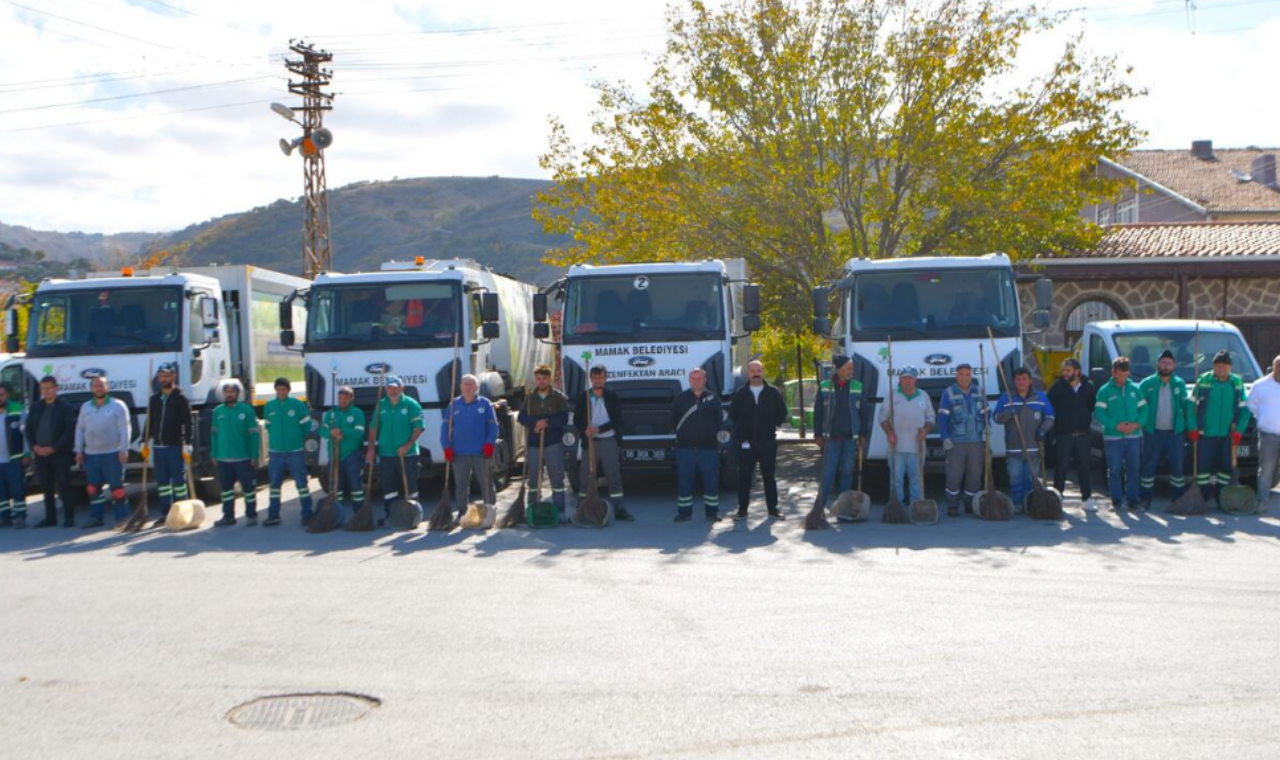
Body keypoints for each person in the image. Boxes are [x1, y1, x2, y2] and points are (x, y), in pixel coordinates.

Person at [728, 360, 788, 519]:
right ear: (748, 373)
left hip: (767, 442)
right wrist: (744, 430)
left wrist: (771, 426)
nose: (756, 373)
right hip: (746, 442)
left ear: (763, 372)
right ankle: (742, 510)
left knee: (769, 476)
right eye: (753, 370)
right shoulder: (740, 394)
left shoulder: (773, 393)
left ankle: (773, 509)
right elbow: (733, 415)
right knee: (744, 477)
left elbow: (782, 413)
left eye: (759, 370)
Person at [573, 365, 634, 521]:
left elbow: (617, 420)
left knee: (613, 475)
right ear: (591, 379)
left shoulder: (612, 397)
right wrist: (584, 430)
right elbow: (577, 420)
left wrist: (599, 429)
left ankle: (619, 509)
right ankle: (581, 508)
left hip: (609, 441)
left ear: (605, 378)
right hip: (590, 443)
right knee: (585, 475)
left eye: (601, 377)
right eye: (595, 377)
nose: (598, 379)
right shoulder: (584, 397)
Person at [1192, 351, 1251, 506]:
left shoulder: (1237, 383)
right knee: (1203, 468)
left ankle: (1222, 498)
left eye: (1225, 365)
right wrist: (1192, 427)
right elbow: (1190, 405)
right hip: (1206, 434)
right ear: (1213, 366)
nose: (1222, 368)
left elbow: (1245, 409)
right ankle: (1202, 498)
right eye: (1218, 365)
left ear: (1230, 367)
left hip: (1227, 435)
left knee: (1225, 469)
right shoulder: (1204, 380)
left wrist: (1239, 430)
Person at [994, 367, 1055, 511]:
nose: (1021, 382)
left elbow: (1050, 416)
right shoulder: (1006, 398)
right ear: (1014, 381)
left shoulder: (1040, 397)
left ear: (1030, 381)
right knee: (1015, 477)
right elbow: (996, 417)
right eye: (1018, 379)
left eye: (1024, 379)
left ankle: (1030, 503)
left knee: (1031, 478)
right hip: (1013, 447)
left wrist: (1043, 430)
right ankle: (1017, 503)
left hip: (1033, 447)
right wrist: (1007, 413)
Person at [1138, 350, 1193, 508]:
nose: (1166, 365)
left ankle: (1177, 498)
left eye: (1169, 363)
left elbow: (1185, 406)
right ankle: (1145, 497)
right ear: (1157, 364)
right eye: (1163, 362)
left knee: (1177, 466)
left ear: (1174, 365)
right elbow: (1139, 407)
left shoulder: (1179, 383)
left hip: (1174, 433)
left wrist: (1190, 426)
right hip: (1152, 431)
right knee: (1149, 465)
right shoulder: (1147, 383)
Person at [75, 374, 131, 529]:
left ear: (108, 387)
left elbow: (125, 429)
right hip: (91, 455)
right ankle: (96, 517)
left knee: (117, 489)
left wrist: (124, 449)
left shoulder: (118, 405)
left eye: (101, 385)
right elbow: (80, 429)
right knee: (93, 488)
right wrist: (78, 450)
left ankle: (122, 518)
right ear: (91, 388)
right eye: (95, 385)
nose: (98, 388)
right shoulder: (86, 407)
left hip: (112, 454)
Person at [813, 355, 866, 512]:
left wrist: (863, 434)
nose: (852, 371)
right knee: (828, 473)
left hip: (850, 438)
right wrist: (818, 434)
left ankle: (844, 506)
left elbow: (863, 413)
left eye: (852, 368)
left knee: (847, 472)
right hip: (831, 438)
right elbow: (818, 412)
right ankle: (820, 507)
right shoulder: (825, 386)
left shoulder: (857, 386)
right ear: (839, 369)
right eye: (849, 368)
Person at [442, 374, 499, 522]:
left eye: (471, 384)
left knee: (486, 483)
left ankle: (489, 511)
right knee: (461, 485)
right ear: (460, 386)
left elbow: (493, 426)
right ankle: (462, 513)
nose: (468, 387)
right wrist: (446, 447)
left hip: (481, 452)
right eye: (465, 384)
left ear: (477, 387)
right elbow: (445, 428)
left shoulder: (485, 404)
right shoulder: (453, 405)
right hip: (459, 452)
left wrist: (489, 443)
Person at [517, 365, 570, 522]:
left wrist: (547, 423)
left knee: (556, 477)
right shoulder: (530, 397)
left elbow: (564, 418)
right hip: (534, 443)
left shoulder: (559, 397)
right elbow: (521, 417)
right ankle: (532, 508)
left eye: (544, 378)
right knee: (533, 478)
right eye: (539, 378)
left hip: (553, 442)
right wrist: (535, 423)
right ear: (536, 379)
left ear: (550, 378)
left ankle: (560, 511)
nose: (541, 381)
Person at [1094, 357, 1148, 511]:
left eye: (1125, 375)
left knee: (1133, 469)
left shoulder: (1135, 389)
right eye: (1119, 375)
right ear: (1113, 372)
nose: (1122, 378)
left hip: (1134, 436)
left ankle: (1133, 501)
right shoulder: (1104, 391)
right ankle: (1116, 501)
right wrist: (1116, 426)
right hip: (1113, 437)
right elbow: (1099, 413)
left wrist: (1137, 424)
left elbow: (1144, 410)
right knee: (1115, 469)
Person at [369, 376, 424, 524]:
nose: (392, 391)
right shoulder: (381, 405)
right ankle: (390, 516)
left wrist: (407, 445)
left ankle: (413, 516)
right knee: (389, 488)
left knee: (410, 487)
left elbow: (419, 428)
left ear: (402, 388)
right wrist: (371, 448)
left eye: (395, 387)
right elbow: (374, 427)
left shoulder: (411, 404)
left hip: (409, 453)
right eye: (389, 388)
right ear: (385, 389)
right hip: (387, 453)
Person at [671, 367, 723, 522]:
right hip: (685, 449)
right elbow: (673, 421)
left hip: (708, 449)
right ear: (689, 380)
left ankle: (712, 512)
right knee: (684, 481)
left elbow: (719, 421)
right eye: (693, 378)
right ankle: (684, 512)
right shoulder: (680, 398)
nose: (696, 381)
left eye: (699, 378)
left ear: (705, 380)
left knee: (711, 481)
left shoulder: (713, 398)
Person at [879, 366, 935, 506]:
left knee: (916, 480)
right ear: (899, 379)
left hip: (917, 447)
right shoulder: (891, 396)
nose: (907, 381)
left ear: (916, 379)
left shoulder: (923, 395)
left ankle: (916, 506)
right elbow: (882, 417)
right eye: (904, 378)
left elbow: (931, 417)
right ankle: (897, 506)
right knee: (896, 479)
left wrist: (926, 430)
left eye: (910, 378)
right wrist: (890, 433)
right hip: (896, 447)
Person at [25, 375, 76, 528]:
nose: (45, 392)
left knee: (64, 485)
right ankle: (50, 518)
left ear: (56, 388)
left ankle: (69, 517)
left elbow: (68, 431)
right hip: (40, 454)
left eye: (48, 388)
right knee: (46, 486)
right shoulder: (36, 407)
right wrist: (34, 447)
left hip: (60, 454)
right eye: (43, 388)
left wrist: (53, 448)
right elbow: (28, 429)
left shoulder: (65, 406)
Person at [1047, 358, 1097, 511]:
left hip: (1083, 434)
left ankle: (1087, 499)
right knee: (1061, 467)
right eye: (1064, 370)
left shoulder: (1088, 387)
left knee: (1084, 467)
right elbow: (1050, 409)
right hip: (1063, 435)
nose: (1065, 373)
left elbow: (1091, 406)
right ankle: (1058, 499)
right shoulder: (1057, 387)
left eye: (1068, 370)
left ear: (1077, 371)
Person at [146, 362, 192, 528]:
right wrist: (145, 441)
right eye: (161, 376)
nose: (163, 379)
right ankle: (166, 514)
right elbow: (150, 421)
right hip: (158, 447)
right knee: (163, 484)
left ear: (173, 376)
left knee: (179, 483)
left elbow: (188, 422)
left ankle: (184, 514)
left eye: (166, 376)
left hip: (175, 446)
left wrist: (187, 443)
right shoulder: (154, 399)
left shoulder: (181, 398)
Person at [263, 378, 313, 526]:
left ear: (288, 390)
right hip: (276, 452)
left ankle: (307, 513)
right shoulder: (269, 406)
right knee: (274, 485)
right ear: (275, 390)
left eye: (284, 389)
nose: (281, 392)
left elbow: (306, 425)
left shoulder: (297, 405)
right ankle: (273, 515)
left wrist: (296, 439)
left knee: (301, 483)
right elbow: (269, 427)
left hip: (295, 451)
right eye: (278, 389)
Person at [938, 363, 985, 517]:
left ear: (971, 376)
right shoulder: (949, 393)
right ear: (956, 376)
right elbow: (942, 417)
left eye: (967, 374)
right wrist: (944, 437)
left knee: (975, 474)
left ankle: (970, 503)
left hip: (976, 440)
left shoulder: (979, 391)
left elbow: (986, 412)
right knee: (954, 474)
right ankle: (952, 504)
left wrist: (988, 426)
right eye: (961, 374)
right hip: (956, 441)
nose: (964, 377)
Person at [211, 379, 260, 527]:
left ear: (238, 394)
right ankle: (228, 516)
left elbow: (254, 435)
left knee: (248, 489)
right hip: (223, 459)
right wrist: (214, 454)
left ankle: (251, 515)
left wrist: (254, 455)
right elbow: (214, 434)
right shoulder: (218, 411)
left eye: (232, 392)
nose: (229, 394)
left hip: (243, 458)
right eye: (226, 392)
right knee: (226, 489)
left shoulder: (247, 411)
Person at [320, 385, 367, 522]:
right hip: (334, 455)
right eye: (340, 398)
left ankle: (359, 516)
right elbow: (322, 431)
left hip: (352, 454)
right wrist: (331, 433)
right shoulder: (331, 413)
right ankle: (336, 516)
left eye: (346, 398)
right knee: (336, 487)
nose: (343, 400)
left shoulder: (357, 413)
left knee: (355, 487)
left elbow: (358, 434)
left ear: (352, 398)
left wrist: (341, 431)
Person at [1247, 355, 1280, 512]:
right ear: (1274, 367)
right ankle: (1261, 502)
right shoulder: (1260, 385)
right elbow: (1251, 405)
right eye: (1278, 366)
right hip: (1268, 435)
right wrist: (1264, 417)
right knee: (1266, 469)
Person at [0, 384, 29, 528]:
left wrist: (27, 453)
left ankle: (20, 516)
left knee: (17, 488)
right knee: (1, 491)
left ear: (7, 395)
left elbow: (26, 434)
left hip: (15, 458)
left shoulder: (17, 409)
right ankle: (4, 518)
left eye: (2, 394)